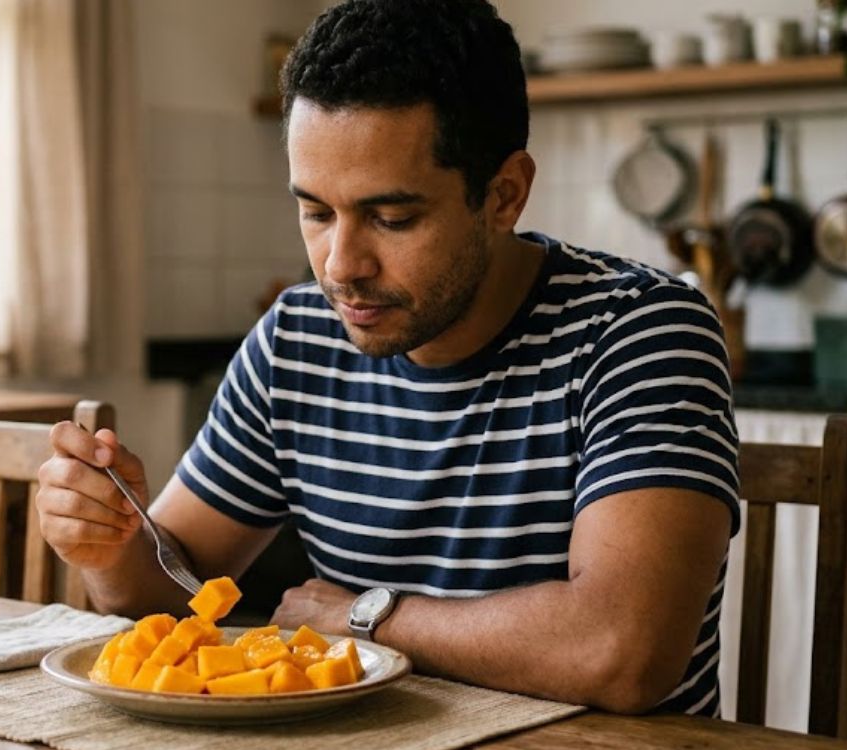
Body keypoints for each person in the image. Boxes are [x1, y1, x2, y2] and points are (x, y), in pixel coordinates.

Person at [37, 0, 738, 717]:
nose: (340, 265)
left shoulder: (641, 332)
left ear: (504, 195)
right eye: (315, 212)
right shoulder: (297, 339)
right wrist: (109, 542)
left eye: (391, 218)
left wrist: (366, 615)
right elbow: (168, 589)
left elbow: (622, 652)